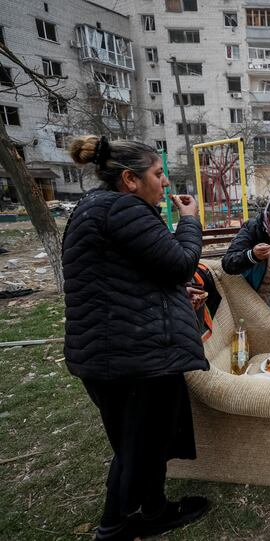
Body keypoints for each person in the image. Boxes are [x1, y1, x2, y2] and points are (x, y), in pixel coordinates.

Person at [62, 135, 210, 541]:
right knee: (138, 444)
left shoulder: (97, 207)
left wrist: (172, 295)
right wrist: (191, 221)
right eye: (158, 175)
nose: (164, 183)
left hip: (120, 349)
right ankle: (114, 527)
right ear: (129, 178)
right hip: (132, 355)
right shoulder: (124, 209)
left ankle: (154, 509)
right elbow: (180, 263)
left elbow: (121, 279)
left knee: (145, 440)